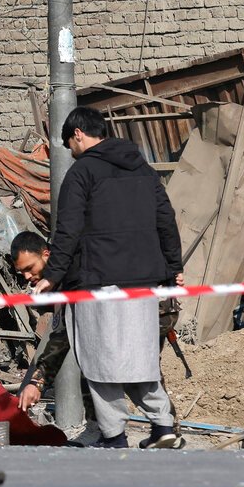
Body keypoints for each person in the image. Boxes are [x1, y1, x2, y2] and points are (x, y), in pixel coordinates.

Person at [32, 107, 183, 449]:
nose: (70, 150)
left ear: (79, 135)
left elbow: (67, 229)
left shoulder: (81, 173)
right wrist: (173, 267)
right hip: (143, 280)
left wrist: (53, 275)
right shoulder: (143, 169)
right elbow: (166, 218)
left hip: (97, 279)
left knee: (99, 359)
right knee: (139, 356)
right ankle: (163, 426)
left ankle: (113, 434)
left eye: (69, 143)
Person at [13, 231, 184, 449]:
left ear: (46, 254)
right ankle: (161, 430)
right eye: (22, 272)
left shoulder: (70, 270)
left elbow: (62, 334)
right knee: (129, 365)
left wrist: (37, 382)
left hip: (152, 308)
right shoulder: (71, 265)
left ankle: (117, 433)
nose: (28, 277)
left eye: (30, 268)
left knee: (108, 363)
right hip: (148, 305)